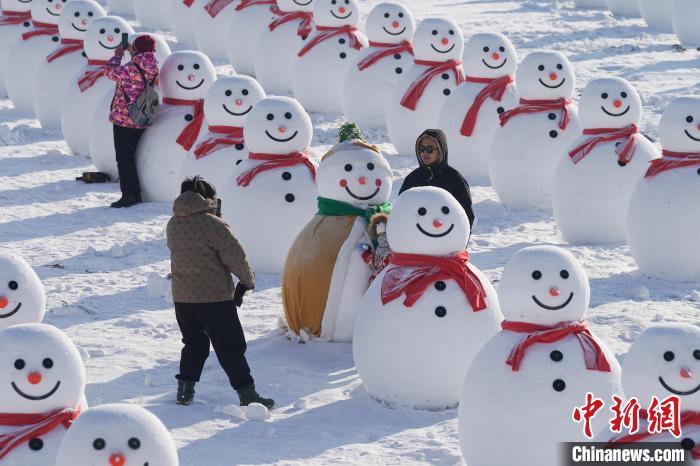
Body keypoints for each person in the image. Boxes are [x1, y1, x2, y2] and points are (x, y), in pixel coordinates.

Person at [166, 176, 274, 409]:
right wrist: (246, 281)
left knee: (194, 344)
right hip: (213, 298)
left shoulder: (173, 223)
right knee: (230, 347)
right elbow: (235, 255)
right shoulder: (213, 224)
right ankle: (248, 395)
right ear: (208, 198)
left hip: (183, 298)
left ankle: (184, 391)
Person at [105, 35, 159, 208]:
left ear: (136, 49)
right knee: (132, 157)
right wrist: (133, 51)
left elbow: (109, 72)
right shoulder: (154, 66)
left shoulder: (129, 68)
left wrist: (118, 54)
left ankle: (129, 195)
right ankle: (135, 193)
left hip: (124, 118)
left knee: (124, 158)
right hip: (143, 116)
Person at [399, 129, 476, 228]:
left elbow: (466, 217)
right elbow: (401, 210)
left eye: (429, 149)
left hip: (445, 238)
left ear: (440, 150)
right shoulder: (413, 179)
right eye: (421, 148)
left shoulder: (455, 179)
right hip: (416, 239)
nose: (424, 153)